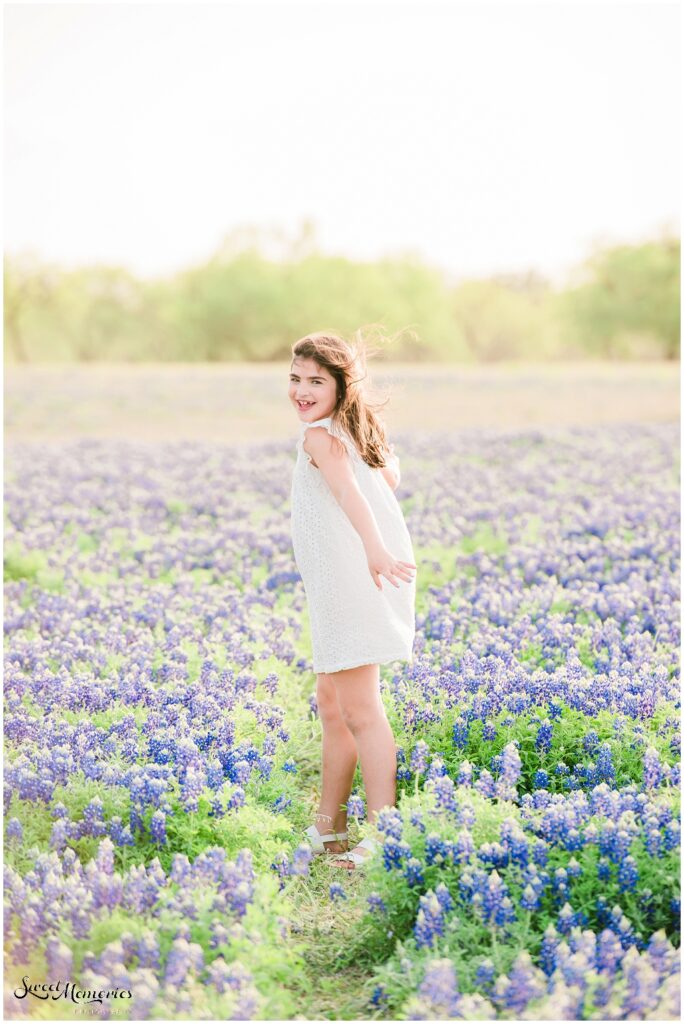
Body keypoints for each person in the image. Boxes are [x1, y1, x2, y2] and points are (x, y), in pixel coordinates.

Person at [289, 331, 417, 871]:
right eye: (295, 379)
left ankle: (385, 832)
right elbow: (386, 479)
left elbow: (349, 492)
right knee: (333, 703)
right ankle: (329, 826)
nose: (301, 390)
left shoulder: (321, 438)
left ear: (341, 386)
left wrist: (372, 550)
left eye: (316, 381)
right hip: (343, 582)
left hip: (352, 582)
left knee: (361, 710)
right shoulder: (354, 432)